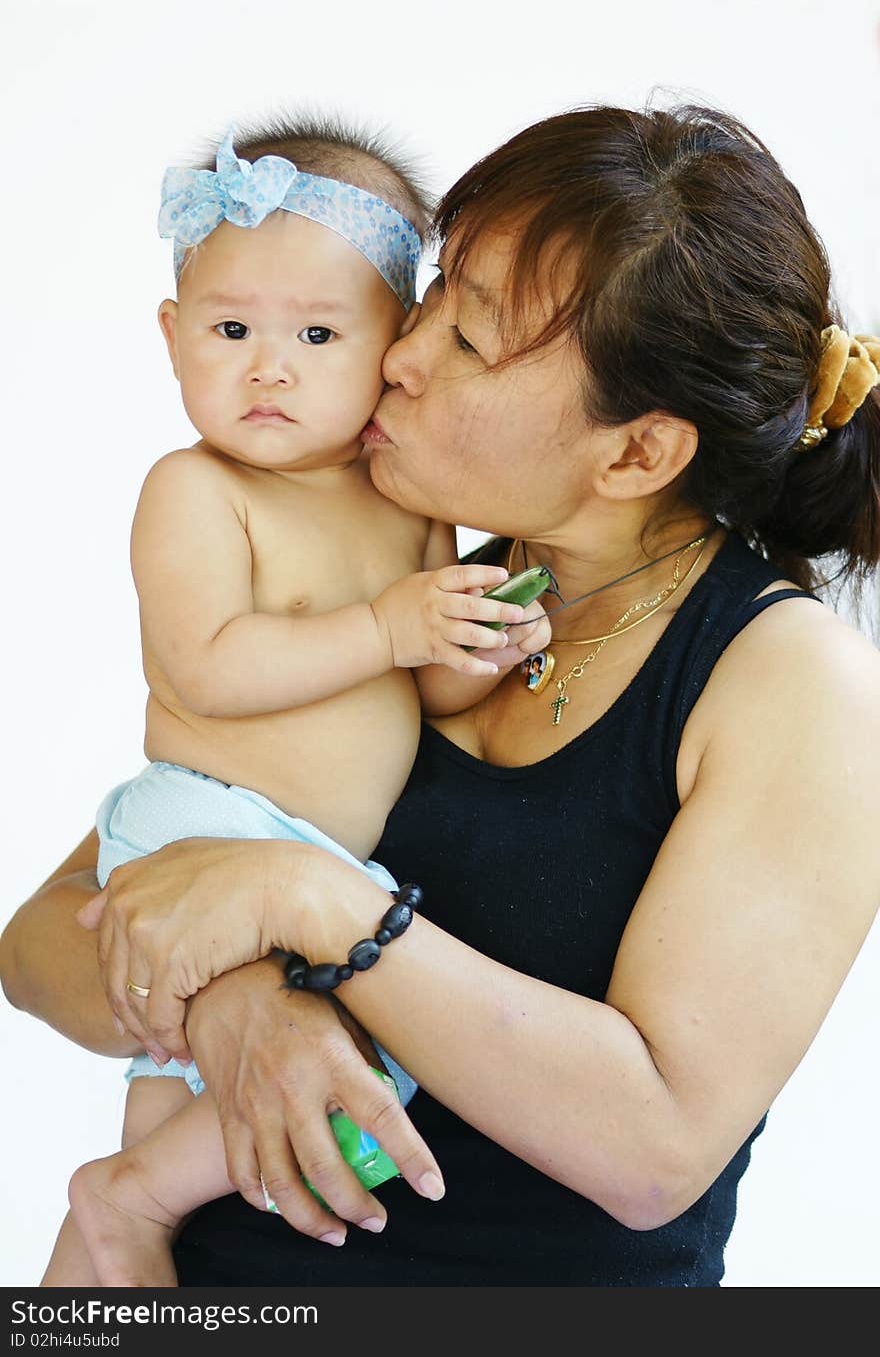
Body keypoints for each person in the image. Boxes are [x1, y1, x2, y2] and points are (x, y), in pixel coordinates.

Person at [3, 101, 880, 1288]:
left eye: (467, 340)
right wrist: (231, 1005)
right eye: (431, 294)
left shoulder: (787, 680)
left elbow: (655, 1145)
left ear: (635, 453)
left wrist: (314, 907)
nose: (395, 355)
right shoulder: (429, 599)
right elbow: (45, 941)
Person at [30, 117, 551, 1288]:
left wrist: (485, 640)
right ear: (172, 338)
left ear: (392, 347)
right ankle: (126, 1201)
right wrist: (386, 622)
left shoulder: (403, 496)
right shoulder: (197, 490)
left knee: (189, 1114)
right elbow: (205, 665)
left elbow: (423, 683)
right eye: (230, 330)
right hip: (202, 827)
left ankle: (119, 1232)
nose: (269, 367)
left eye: (318, 333)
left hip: (301, 858)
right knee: (360, 1073)